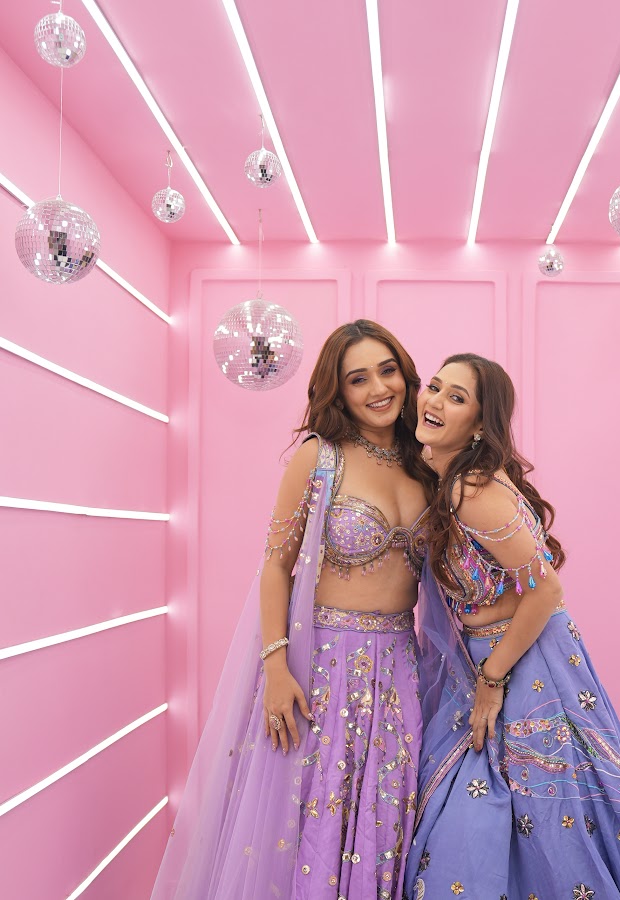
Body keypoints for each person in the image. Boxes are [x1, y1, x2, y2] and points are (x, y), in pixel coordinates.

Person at [152, 320, 436, 900]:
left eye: (387, 371)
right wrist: (276, 666)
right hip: (322, 668)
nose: (378, 388)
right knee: (310, 823)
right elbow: (277, 565)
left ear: (406, 376)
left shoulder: (427, 462)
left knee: (386, 819)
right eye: (358, 379)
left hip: (400, 668)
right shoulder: (319, 457)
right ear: (338, 391)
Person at [405, 354, 620, 900]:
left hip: (522, 665)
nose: (435, 402)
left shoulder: (473, 490)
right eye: (435, 387)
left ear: (480, 423)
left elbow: (545, 591)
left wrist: (492, 679)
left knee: (548, 818)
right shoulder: (451, 480)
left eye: (456, 397)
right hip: (497, 660)